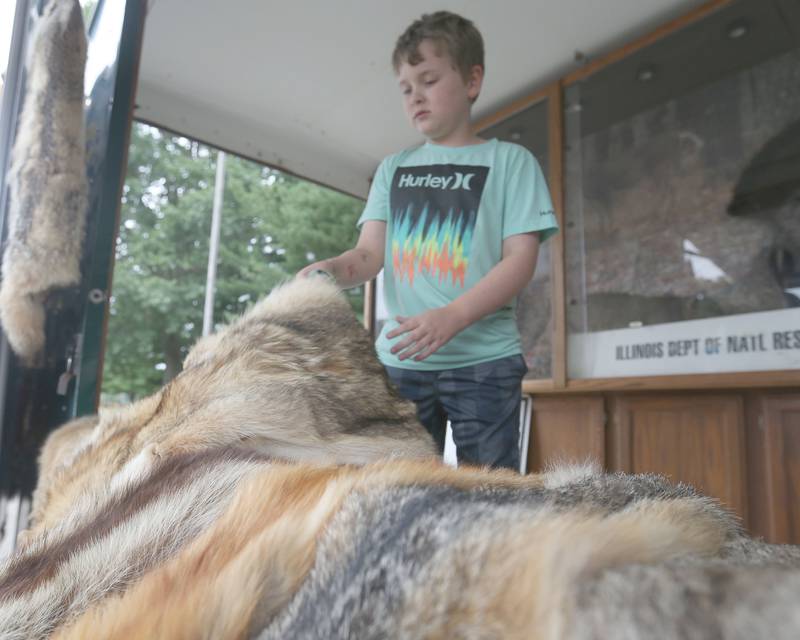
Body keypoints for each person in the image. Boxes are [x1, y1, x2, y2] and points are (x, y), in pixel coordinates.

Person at [299, 11, 559, 470]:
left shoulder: (512, 161)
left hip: (484, 364)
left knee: (490, 496)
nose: (415, 95)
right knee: (398, 491)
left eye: (429, 79)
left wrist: (453, 317)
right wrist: (331, 272)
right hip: (401, 363)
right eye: (405, 87)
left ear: (472, 80)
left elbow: (520, 261)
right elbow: (368, 255)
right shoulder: (391, 168)